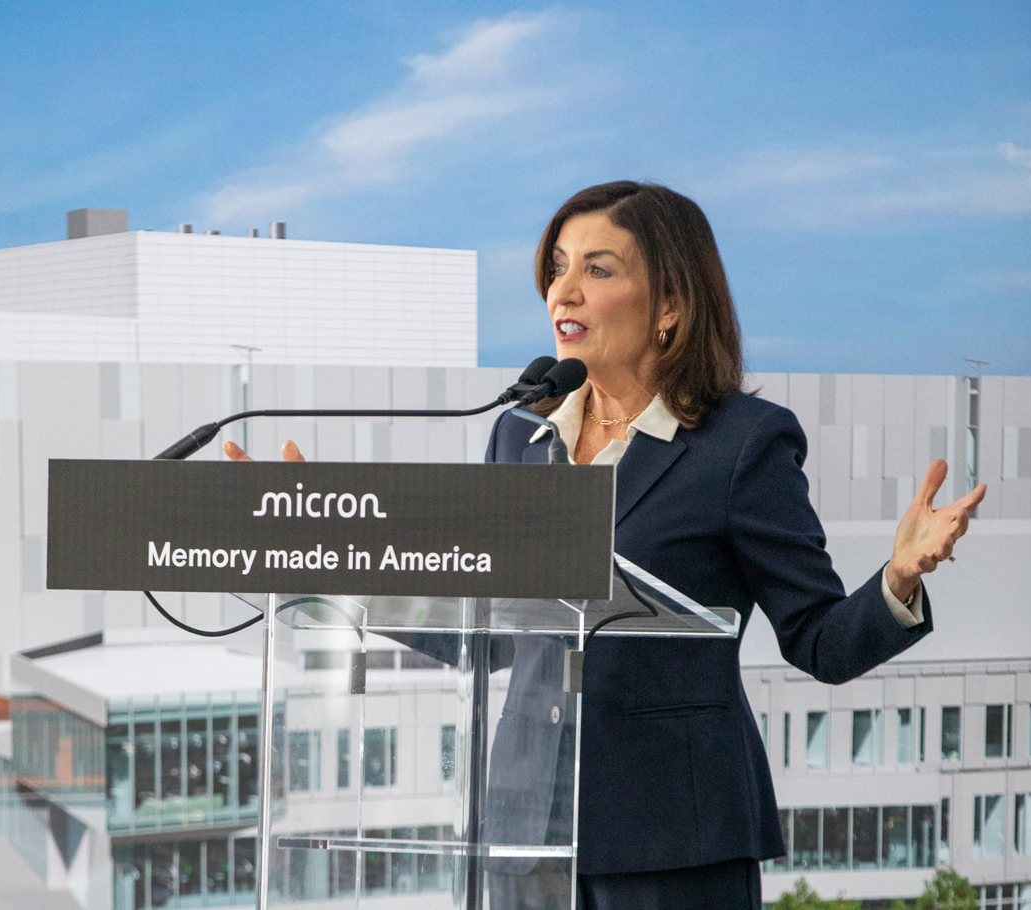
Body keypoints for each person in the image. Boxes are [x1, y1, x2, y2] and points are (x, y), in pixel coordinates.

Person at [227, 180, 985, 909]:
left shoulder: (741, 446)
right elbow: (484, 634)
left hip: (673, 836)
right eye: (557, 268)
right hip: (525, 826)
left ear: (670, 305)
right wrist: (327, 554)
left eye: (597, 269)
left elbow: (819, 641)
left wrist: (898, 577)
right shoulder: (520, 435)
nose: (563, 292)